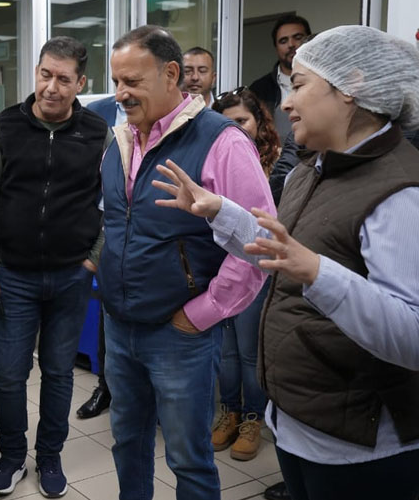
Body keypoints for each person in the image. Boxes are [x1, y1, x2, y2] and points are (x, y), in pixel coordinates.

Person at [154, 25, 419, 500]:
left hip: (364, 447)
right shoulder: (312, 169)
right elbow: (285, 254)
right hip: (302, 427)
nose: (286, 104)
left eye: (299, 86)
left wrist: (318, 272)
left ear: (351, 87)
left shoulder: (407, 195)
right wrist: (220, 211)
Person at [99, 25, 274, 500]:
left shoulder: (221, 141)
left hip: (179, 334)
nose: (121, 93)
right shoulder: (121, 139)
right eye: (116, 81)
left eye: (132, 81)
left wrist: (202, 313)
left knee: (188, 459)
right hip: (120, 325)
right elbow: (117, 220)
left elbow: (258, 242)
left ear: (171, 74)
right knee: (128, 444)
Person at [0, 36, 107, 497]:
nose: (51, 87)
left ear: (80, 83)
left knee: (59, 372)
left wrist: (94, 259)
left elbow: (114, 203)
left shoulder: (97, 133)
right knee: (9, 373)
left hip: (72, 276)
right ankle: (11, 456)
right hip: (15, 275)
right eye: (45, 74)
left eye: (63, 79)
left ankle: (50, 456)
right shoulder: (6, 126)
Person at [208, 88, 281, 463]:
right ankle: (230, 412)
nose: (235, 129)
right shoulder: (215, 158)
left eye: (242, 121)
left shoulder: (276, 164)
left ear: (259, 122)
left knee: (250, 351)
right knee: (226, 350)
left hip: (255, 269)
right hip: (219, 267)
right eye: (228, 123)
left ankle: (253, 418)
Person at [75, 95, 123, 421]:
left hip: (153, 230)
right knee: (108, 313)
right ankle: (105, 387)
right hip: (108, 224)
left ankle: (151, 399)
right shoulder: (98, 112)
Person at [249, 15, 311, 142]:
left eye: (298, 37)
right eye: (283, 41)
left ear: (309, 41)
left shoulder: (324, 82)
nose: (291, 44)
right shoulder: (259, 90)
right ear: (276, 48)